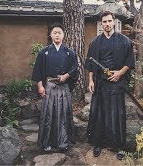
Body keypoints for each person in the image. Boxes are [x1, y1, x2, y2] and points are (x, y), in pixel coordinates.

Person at [84, 11, 135, 160]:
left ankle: (118, 146)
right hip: (100, 83)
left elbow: (130, 62)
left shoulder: (125, 41)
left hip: (117, 82)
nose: (107, 24)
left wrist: (119, 73)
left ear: (114, 22)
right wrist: (91, 81)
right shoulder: (95, 42)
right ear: (101, 24)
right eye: (104, 22)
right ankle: (98, 143)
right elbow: (90, 64)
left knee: (117, 113)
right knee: (98, 113)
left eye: (109, 21)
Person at [32, 22, 79, 152]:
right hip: (49, 86)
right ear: (50, 35)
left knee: (63, 114)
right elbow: (38, 71)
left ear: (64, 35)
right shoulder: (44, 52)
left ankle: (63, 142)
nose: (57, 35)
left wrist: (67, 75)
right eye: (55, 32)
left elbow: (75, 68)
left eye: (59, 32)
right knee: (49, 114)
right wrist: (40, 86)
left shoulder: (70, 53)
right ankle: (47, 142)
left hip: (63, 86)